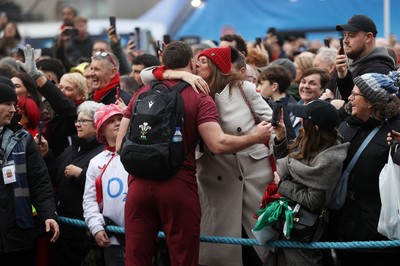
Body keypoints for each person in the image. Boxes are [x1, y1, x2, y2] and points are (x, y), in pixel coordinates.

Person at [116, 41, 273, 266]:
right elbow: (217, 144)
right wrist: (255, 138)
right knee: (183, 257)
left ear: (163, 62)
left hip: (137, 186)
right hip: (177, 185)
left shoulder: (142, 91)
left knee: (135, 257)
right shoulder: (199, 96)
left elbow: (120, 145)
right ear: (191, 63)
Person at [266, 100, 349, 266]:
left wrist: (282, 185)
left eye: (304, 117)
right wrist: (281, 138)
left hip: (304, 229)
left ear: (316, 127)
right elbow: (288, 165)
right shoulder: (310, 139)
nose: (300, 120)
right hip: (289, 220)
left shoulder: (329, 158)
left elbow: (314, 200)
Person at [330, 71, 400, 265]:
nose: (349, 98)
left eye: (355, 94)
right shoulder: (348, 125)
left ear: (370, 102)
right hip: (343, 221)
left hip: (375, 229)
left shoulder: (395, 131)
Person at [0, 81, 59, 264]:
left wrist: (48, 214)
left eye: (14, 105)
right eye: (8, 104)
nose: (13, 109)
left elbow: (39, 180)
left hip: (17, 233)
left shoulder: (22, 138)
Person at [39, 101, 105, 266]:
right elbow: (54, 176)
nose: (78, 124)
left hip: (82, 232)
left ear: (97, 124)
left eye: (83, 121)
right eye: (77, 120)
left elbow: (105, 188)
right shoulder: (72, 149)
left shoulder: (103, 153)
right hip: (64, 228)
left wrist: (81, 175)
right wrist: (47, 154)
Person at [83, 104, 128, 266]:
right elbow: (89, 201)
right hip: (112, 240)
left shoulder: (139, 155)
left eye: (120, 119)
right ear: (101, 130)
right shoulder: (96, 162)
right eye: (111, 121)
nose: (117, 123)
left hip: (140, 237)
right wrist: (96, 227)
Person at [335, 14, 396, 100]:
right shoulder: (345, 65)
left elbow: (355, 106)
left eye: (351, 36)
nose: (345, 41)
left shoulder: (379, 71)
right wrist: (342, 74)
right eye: (345, 35)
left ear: (368, 37)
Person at [257, 65, 297, 141]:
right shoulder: (292, 104)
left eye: (261, 84)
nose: (258, 88)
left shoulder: (285, 109)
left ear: (274, 86)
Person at [291, 67, 331, 135]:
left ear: (323, 89)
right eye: (303, 82)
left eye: (313, 83)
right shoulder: (296, 108)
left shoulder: (322, 118)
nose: (306, 86)